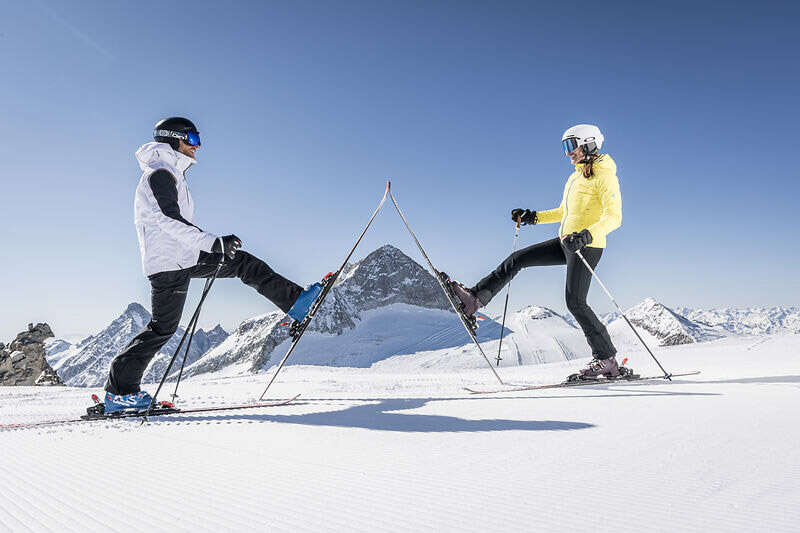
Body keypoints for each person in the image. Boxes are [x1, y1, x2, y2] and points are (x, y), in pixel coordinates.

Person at [102, 117, 322, 412]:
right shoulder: (160, 174)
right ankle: (120, 392)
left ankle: (297, 303)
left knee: (242, 263)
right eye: (192, 138)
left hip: (182, 257)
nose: (198, 146)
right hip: (170, 263)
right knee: (162, 328)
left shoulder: (170, 173)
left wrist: (211, 246)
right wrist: (213, 243)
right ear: (173, 139)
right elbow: (168, 219)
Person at [448, 124, 624, 380]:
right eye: (565, 147)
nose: (568, 153)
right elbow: (564, 212)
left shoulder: (605, 175)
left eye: (570, 145)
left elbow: (614, 217)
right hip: (566, 242)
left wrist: (587, 234)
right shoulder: (576, 176)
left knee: (575, 301)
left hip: (587, 245)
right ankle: (474, 299)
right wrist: (533, 217)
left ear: (588, 143)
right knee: (518, 259)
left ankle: (606, 359)